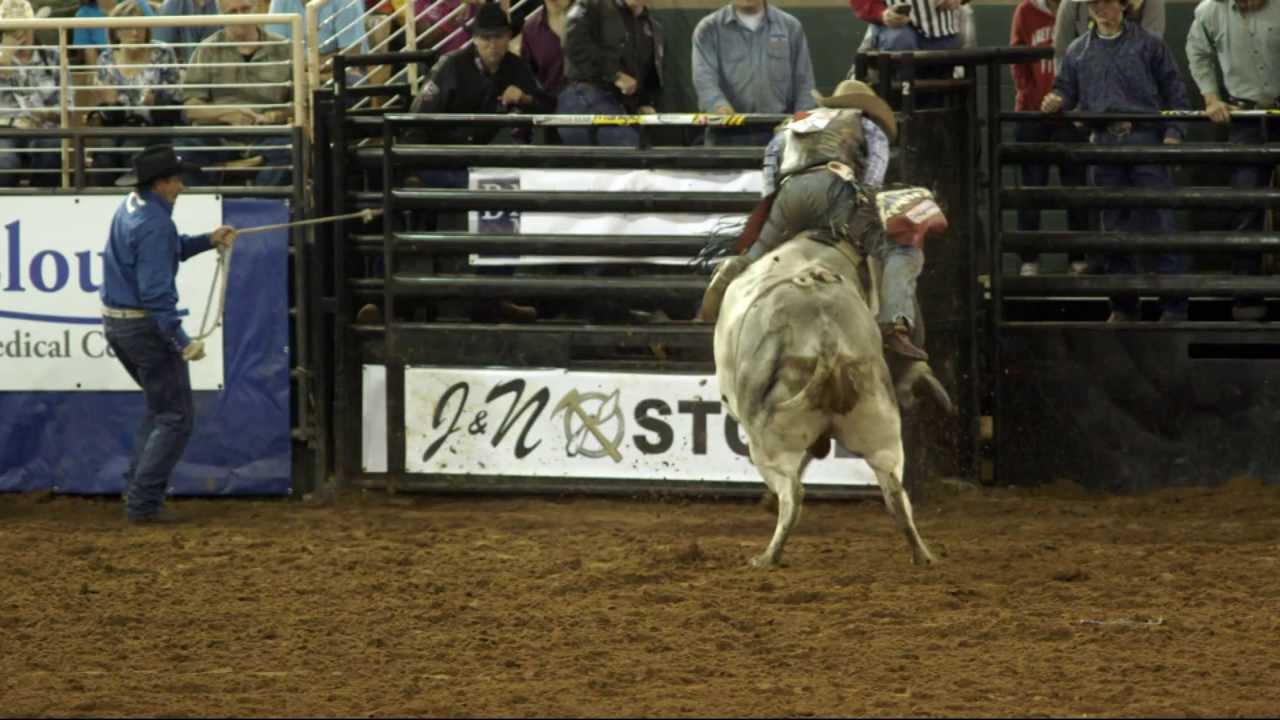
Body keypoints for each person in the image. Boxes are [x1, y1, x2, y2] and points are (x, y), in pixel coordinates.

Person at [698, 80, 934, 361]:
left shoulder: (795, 123)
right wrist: (865, 210)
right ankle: (895, 323)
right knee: (901, 249)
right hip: (834, 190)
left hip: (788, 196)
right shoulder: (866, 124)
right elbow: (873, 177)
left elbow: (770, 166)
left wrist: (772, 212)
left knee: (754, 256)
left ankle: (723, 282)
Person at [100, 144, 237, 524]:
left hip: (118, 324)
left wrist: (207, 239)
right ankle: (143, 503)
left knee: (162, 410)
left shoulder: (133, 207)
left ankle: (138, 493)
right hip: (144, 328)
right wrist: (181, 339)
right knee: (175, 417)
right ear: (160, 183)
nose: (181, 186)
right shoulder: (156, 224)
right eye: (176, 180)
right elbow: (156, 292)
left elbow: (162, 253)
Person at [1042, 0, 1190, 322]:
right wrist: (1056, 100)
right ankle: (1124, 305)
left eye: (1106, 1)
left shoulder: (1150, 45)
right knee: (1113, 229)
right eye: (1094, 3)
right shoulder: (1078, 50)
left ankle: (1173, 307)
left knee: (1160, 225)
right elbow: (1064, 88)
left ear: (1122, 6)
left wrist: (1173, 134)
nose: (1100, 8)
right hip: (1104, 143)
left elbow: (1175, 91)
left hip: (1144, 139)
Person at [1186, 0, 1280, 321]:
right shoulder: (1209, 11)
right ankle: (1246, 297)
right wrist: (1211, 97)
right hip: (1245, 116)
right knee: (1245, 204)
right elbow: (1198, 52)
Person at [1010, 0, 1090, 276]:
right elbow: (1017, 60)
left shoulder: (1081, 7)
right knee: (1031, 190)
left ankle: (1078, 257)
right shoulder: (1026, 10)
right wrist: (1031, 97)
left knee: (1075, 190)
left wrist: (1076, 102)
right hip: (1033, 114)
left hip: (1071, 114)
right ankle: (1029, 259)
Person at [182, 0, 295, 186]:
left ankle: (259, 201)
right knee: (184, 150)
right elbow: (191, 107)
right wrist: (227, 113)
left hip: (268, 134)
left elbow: (300, 103)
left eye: (245, 9)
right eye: (232, 12)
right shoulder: (207, 49)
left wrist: (271, 116)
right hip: (219, 136)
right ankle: (217, 200)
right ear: (221, 16)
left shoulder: (284, 48)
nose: (240, 16)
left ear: (257, 8)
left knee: (291, 147)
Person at [691, 0, 816, 146]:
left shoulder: (791, 27)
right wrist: (718, 106)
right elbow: (704, 79)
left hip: (781, 134)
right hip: (726, 136)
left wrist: (803, 119)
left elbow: (804, 81)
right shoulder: (708, 29)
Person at [89, 0, 184, 185]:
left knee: (133, 150)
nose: (134, 33)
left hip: (154, 128)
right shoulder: (106, 59)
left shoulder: (162, 53)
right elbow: (107, 117)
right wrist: (111, 104)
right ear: (116, 32)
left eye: (139, 27)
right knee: (103, 158)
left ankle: (136, 197)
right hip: (118, 128)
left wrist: (156, 103)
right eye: (127, 28)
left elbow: (176, 105)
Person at [559, 0, 663, 146]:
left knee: (639, 150)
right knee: (629, 149)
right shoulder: (591, 5)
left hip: (625, 105)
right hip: (584, 95)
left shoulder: (652, 27)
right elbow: (573, 43)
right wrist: (614, 75)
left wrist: (644, 102)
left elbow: (648, 72)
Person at [0, 0, 63, 187]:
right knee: (4, 162)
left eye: (25, 28)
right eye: (12, 31)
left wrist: (49, 113)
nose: (20, 35)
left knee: (51, 151)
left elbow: (68, 106)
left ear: (34, 27)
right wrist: (5, 58)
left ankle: (45, 203)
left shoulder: (53, 56)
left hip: (44, 129)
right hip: (4, 131)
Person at [1053, 0, 1164, 68]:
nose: (1099, 8)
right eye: (1093, 3)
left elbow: (1150, 52)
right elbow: (1061, 53)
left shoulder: (1150, 3)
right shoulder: (1070, 5)